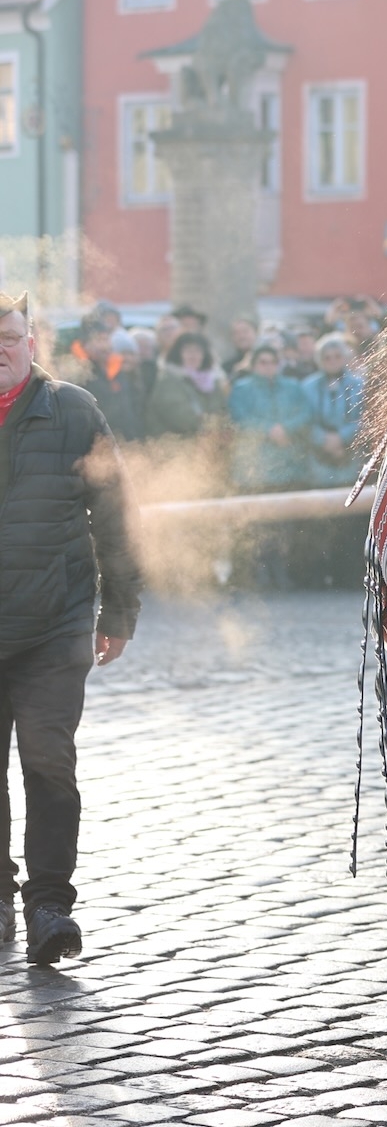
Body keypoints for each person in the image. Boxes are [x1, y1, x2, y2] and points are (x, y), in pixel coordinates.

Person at [0, 292, 143, 964]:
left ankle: (50, 905)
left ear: (31, 344)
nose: (0, 349)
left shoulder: (75, 410)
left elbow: (116, 516)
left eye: (9, 337)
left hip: (54, 624)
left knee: (48, 760)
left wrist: (119, 611)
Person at [227, 344, 310, 492]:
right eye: (263, 362)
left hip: (289, 459)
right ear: (253, 365)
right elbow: (240, 417)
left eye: (273, 362)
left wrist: (286, 428)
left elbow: (305, 413)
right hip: (255, 462)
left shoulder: (293, 387)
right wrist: (269, 430)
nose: (268, 366)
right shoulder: (241, 389)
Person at [302, 332, 365, 486]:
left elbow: (364, 418)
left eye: (337, 356)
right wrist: (324, 440)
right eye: (327, 357)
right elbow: (304, 420)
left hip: (350, 453)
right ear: (319, 359)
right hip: (319, 456)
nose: (332, 361)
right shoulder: (307, 386)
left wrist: (341, 438)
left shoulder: (359, 385)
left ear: (345, 357)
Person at [146, 332, 230, 438]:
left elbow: (223, 413)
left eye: (198, 350)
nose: (193, 355)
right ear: (177, 354)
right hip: (175, 444)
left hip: (206, 442)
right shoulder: (168, 381)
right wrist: (213, 428)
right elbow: (182, 419)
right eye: (188, 350)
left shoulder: (213, 382)